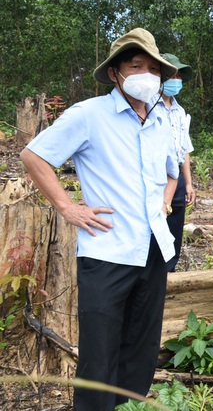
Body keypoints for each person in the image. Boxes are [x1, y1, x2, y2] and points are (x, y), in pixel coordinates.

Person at [20, 28, 179, 410]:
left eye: (154, 68)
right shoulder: (90, 115)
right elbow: (34, 156)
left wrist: (164, 202)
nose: (147, 75)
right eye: (136, 65)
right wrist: (67, 206)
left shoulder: (161, 120)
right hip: (108, 251)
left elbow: (173, 171)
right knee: (100, 355)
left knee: (141, 347)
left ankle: (129, 404)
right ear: (115, 73)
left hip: (153, 250)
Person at [153, 53, 196, 271]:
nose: (176, 80)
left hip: (177, 178)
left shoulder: (180, 111)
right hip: (156, 176)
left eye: (179, 75)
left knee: (174, 226)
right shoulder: (148, 106)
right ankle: (152, 272)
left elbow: (184, 150)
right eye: (172, 74)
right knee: (155, 223)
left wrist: (188, 183)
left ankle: (170, 272)